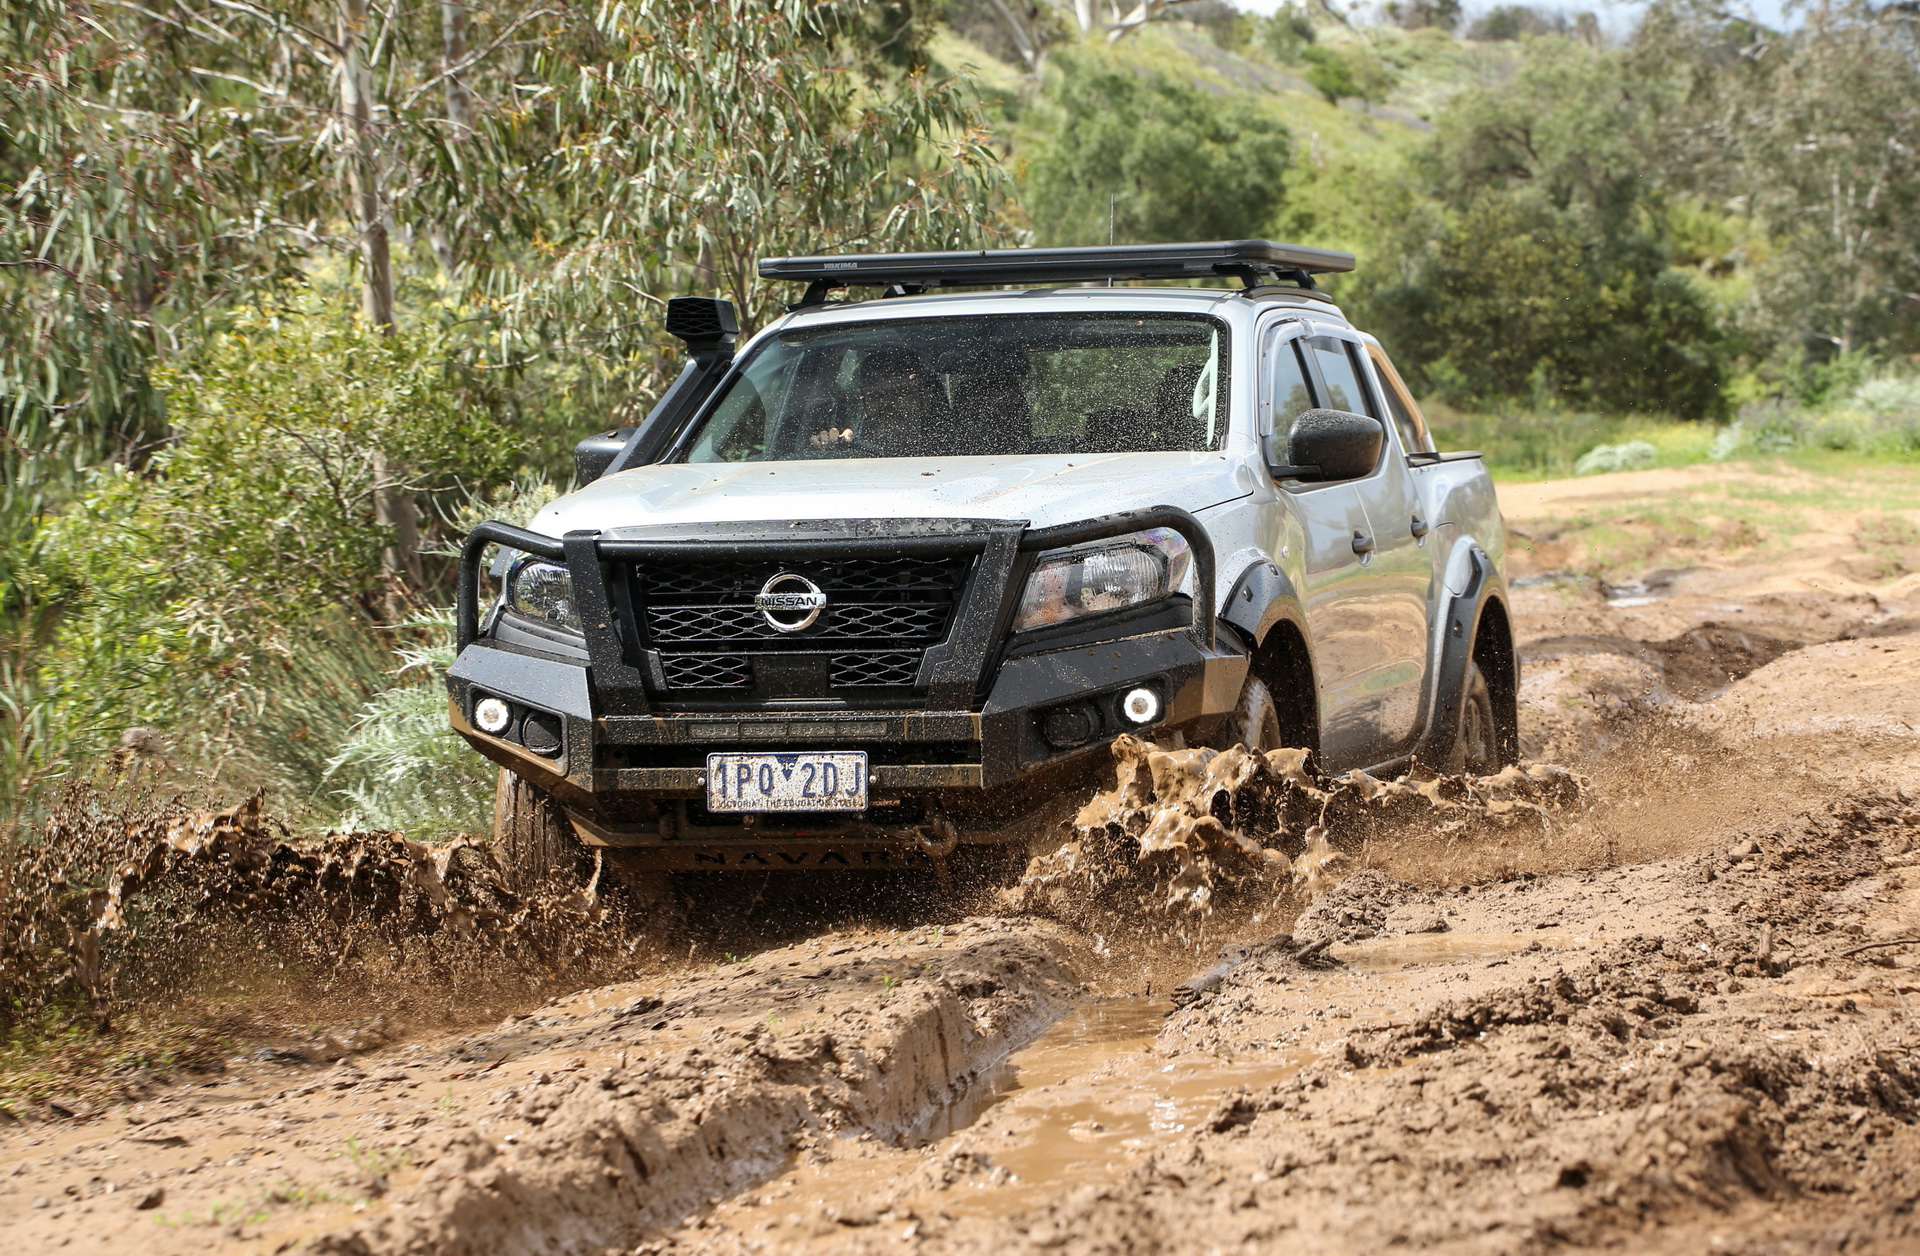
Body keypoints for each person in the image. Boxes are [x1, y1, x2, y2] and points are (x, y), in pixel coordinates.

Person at [810, 344, 947, 456]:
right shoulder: (849, 447)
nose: (887, 401)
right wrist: (830, 449)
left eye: (898, 392)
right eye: (876, 393)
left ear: (925, 397)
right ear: (864, 399)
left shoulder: (950, 449)